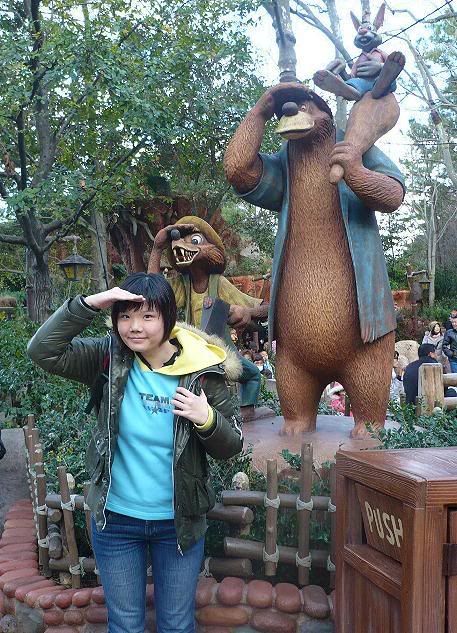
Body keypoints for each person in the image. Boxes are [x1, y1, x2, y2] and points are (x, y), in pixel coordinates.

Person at [27, 273, 243, 633]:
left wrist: (206, 418)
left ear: (168, 318)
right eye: (125, 316)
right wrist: (90, 303)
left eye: (147, 316)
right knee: (126, 624)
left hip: (178, 522)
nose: (134, 327)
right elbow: (42, 350)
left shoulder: (202, 371)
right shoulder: (109, 357)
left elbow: (232, 444)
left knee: (176, 624)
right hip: (116, 521)